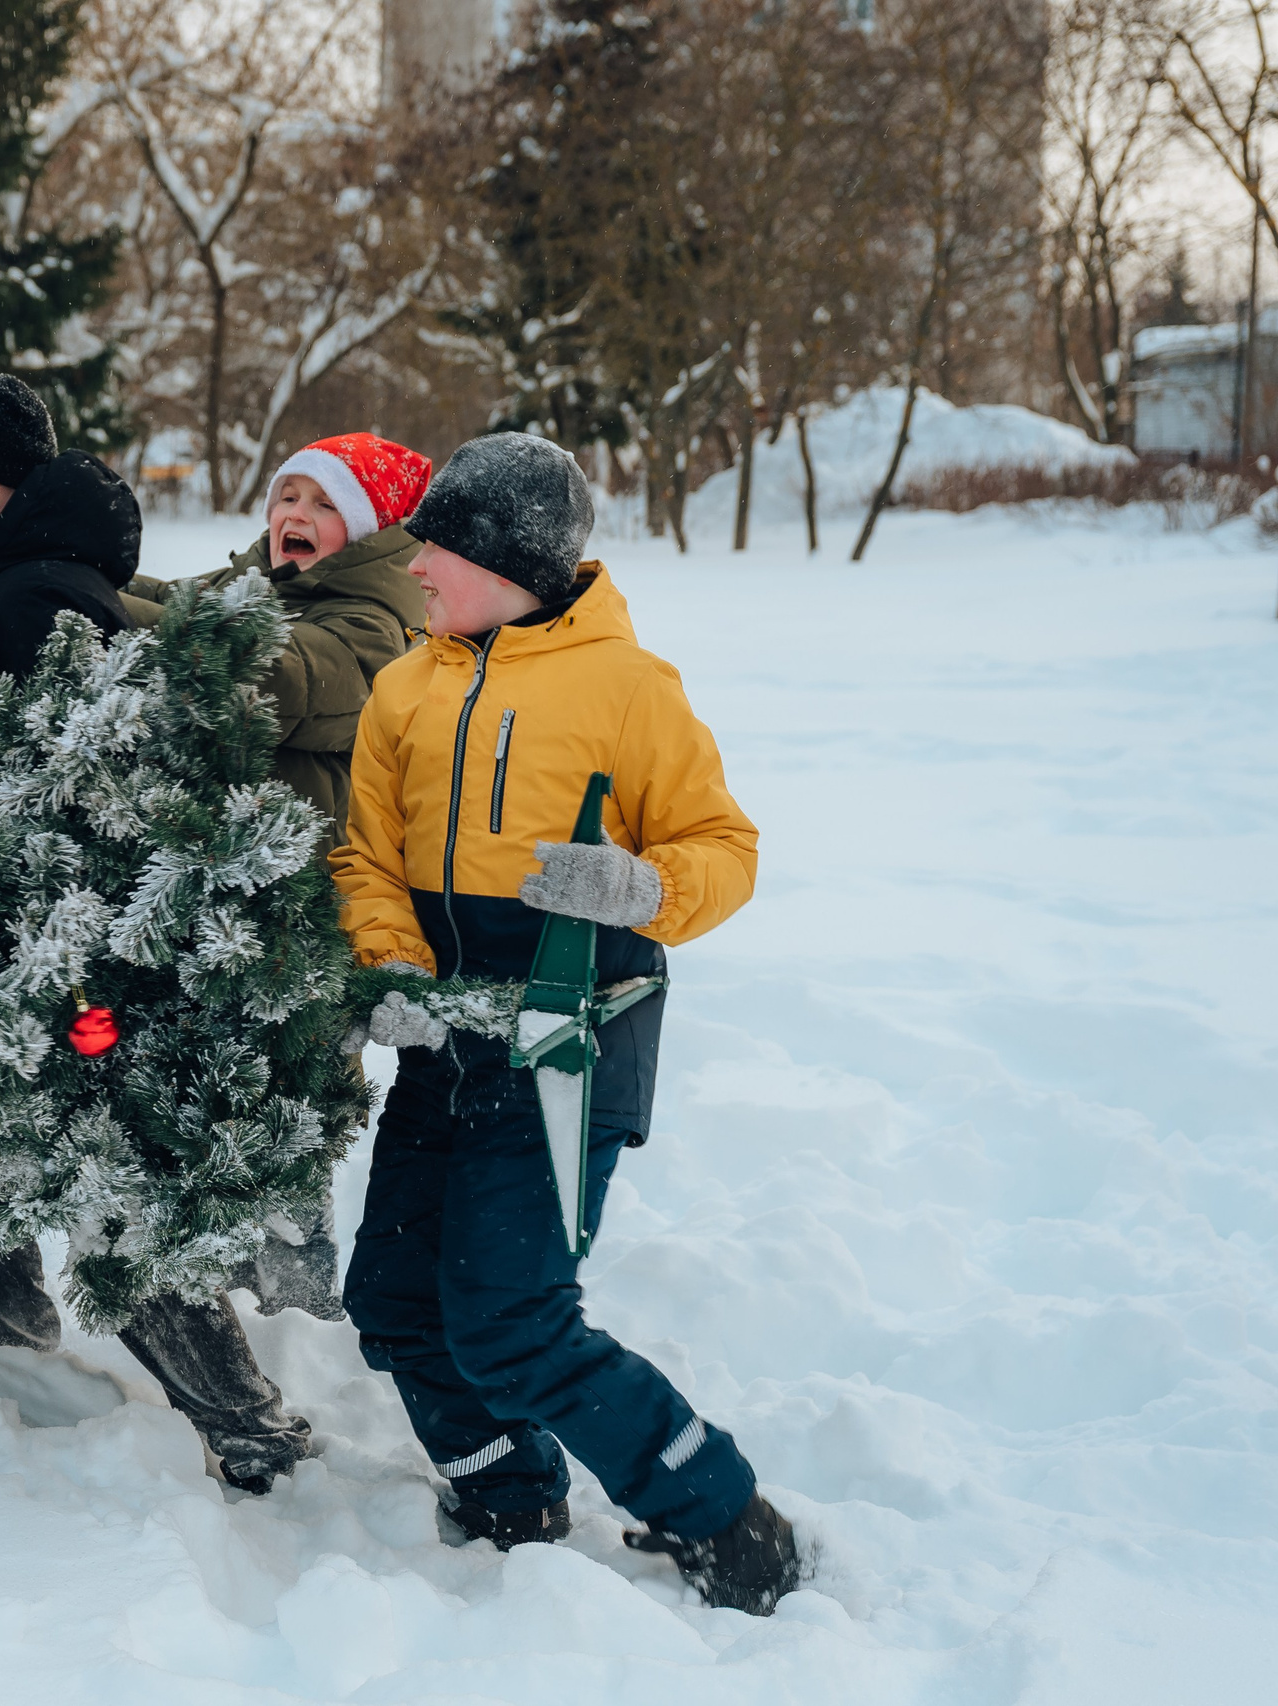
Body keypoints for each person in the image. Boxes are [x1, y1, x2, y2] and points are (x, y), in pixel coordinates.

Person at [331, 433, 801, 1612]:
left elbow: (723, 848)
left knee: (508, 1319)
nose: (416, 565)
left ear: (503, 559)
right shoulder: (405, 682)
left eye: (434, 545)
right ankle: (506, 1490)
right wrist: (392, 966)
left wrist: (644, 888)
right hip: (444, 1035)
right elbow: (365, 855)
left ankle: (722, 1514)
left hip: (567, 1039)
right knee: (390, 1299)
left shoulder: (628, 688)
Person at [0, 374, 314, 1495]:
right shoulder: (33, 576)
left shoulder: (31, 596)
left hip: (50, 941)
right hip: (45, 933)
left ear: (14, 480)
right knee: (34, 1163)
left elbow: (45, 777)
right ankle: (179, 1407)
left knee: (60, 1173)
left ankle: (34, 1378)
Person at [118, 432, 435, 1319]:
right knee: (220, 1109)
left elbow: (269, 677)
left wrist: (69, 602)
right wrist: (9, 564)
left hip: (312, 922)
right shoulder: (259, 585)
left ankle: (299, 1311)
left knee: (290, 1121)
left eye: (324, 504)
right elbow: (161, 599)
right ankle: (223, 1286)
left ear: (371, 527)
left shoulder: (381, 623)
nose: (293, 516)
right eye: (286, 496)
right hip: (233, 910)